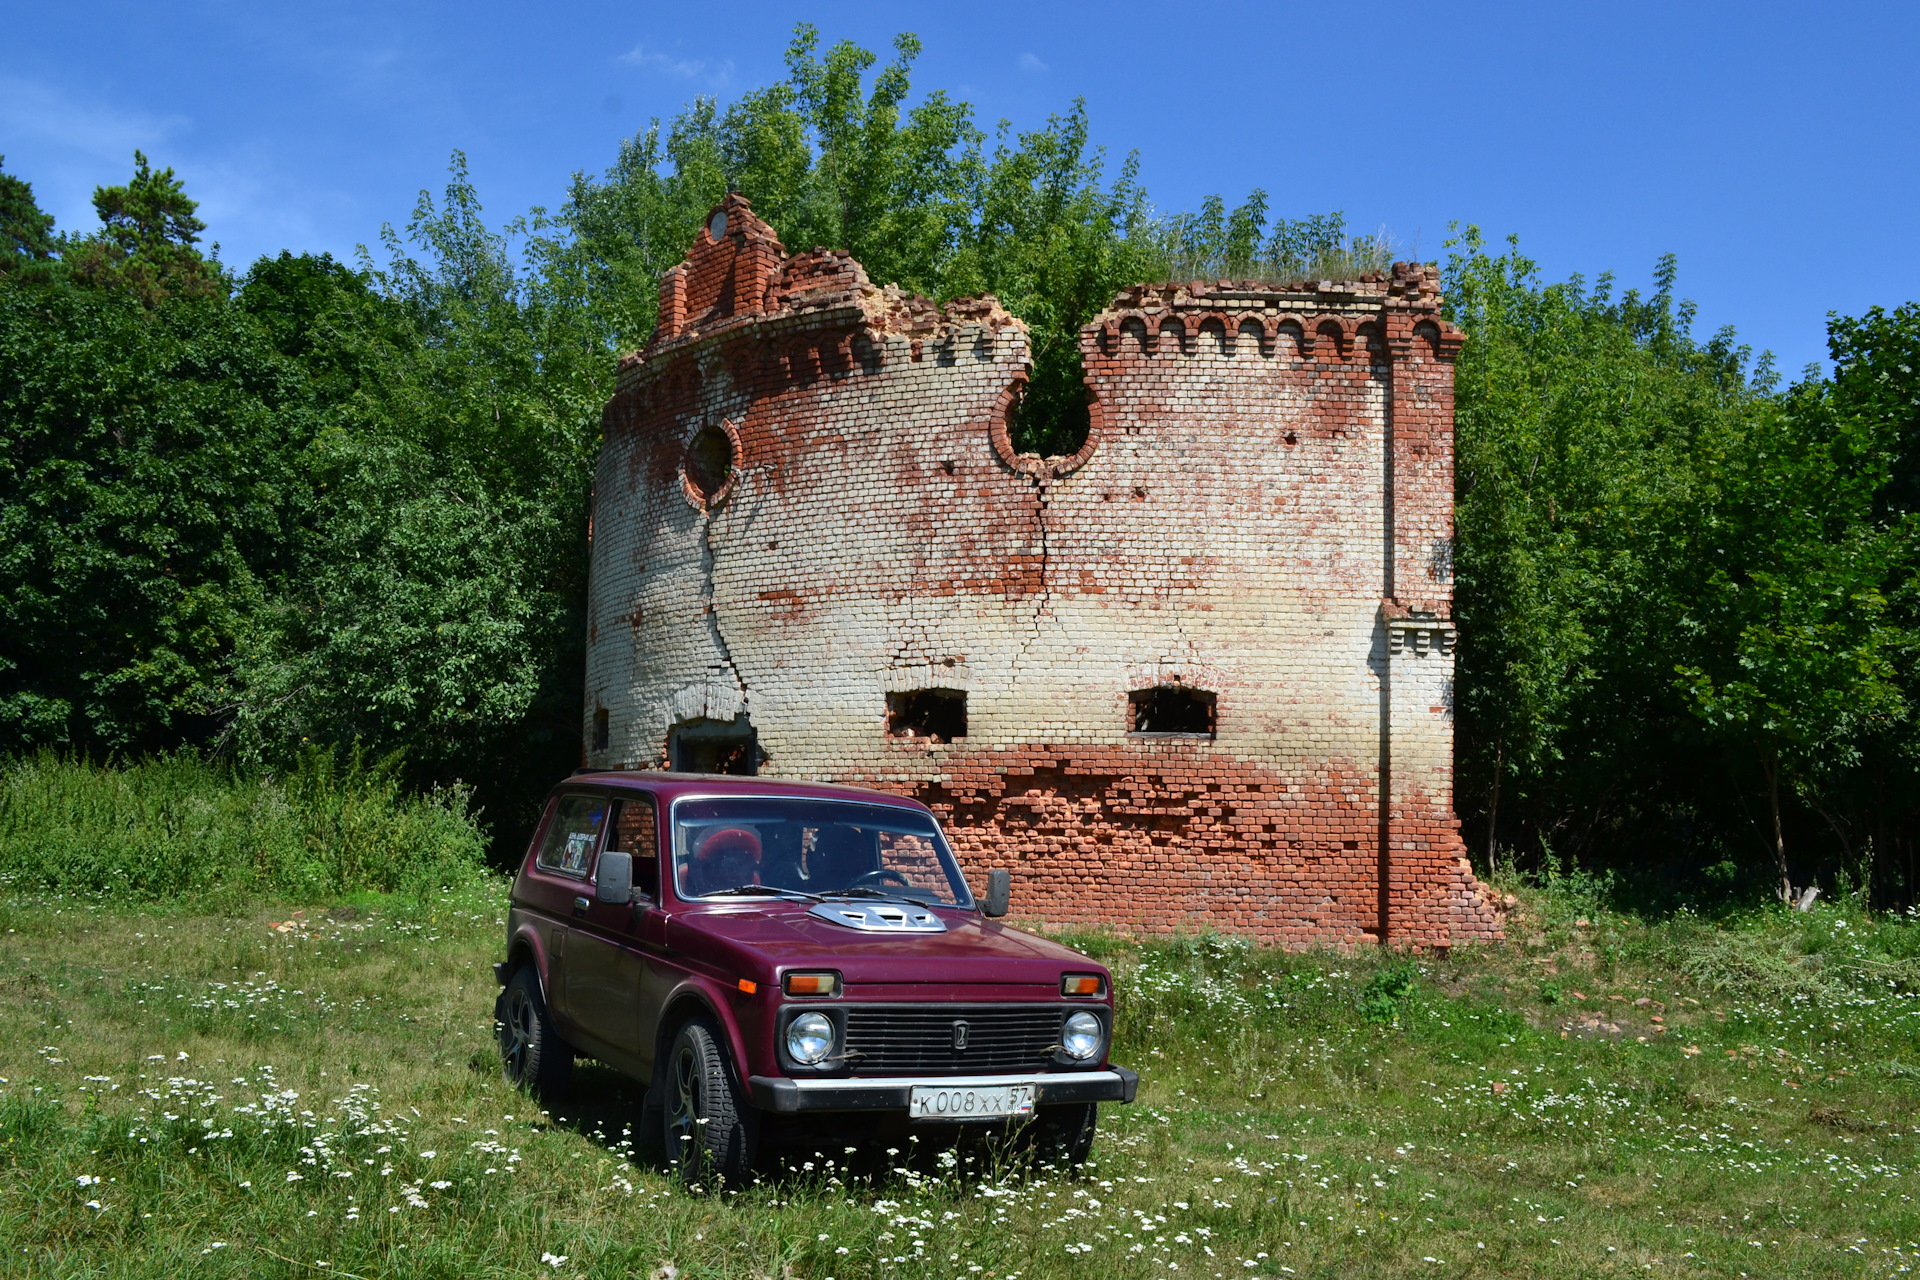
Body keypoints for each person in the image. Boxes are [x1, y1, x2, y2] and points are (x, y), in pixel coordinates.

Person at [688, 827, 762, 896]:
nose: (731, 866)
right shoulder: (689, 889)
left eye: (740, 861)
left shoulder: (757, 888)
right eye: (722, 857)